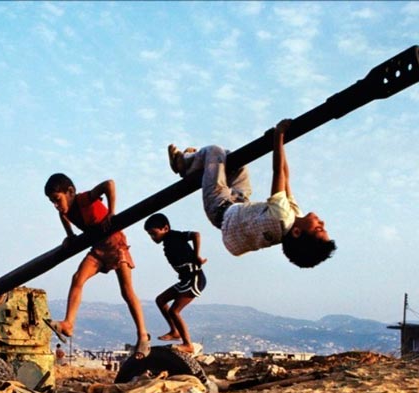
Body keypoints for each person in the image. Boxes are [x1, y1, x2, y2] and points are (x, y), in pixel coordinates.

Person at [167, 119, 336, 268]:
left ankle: (185, 162)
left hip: (219, 207)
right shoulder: (294, 216)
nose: (321, 221)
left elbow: (278, 172)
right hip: (239, 202)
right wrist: (279, 142)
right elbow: (286, 179)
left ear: (297, 232)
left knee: (215, 152)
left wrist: (278, 137)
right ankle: (194, 163)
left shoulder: (283, 217)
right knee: (235, 163)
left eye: (319, 228)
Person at [43, 173, 150, 359]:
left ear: (70, 192)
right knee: (78, 278)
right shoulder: (65, 211)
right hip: (98, 248)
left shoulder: (85, 198)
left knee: (126, 290)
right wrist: (69, 236)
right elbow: (64, 216)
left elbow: (109, 184)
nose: (56, 205)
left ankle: (142, 335)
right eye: (52, 201)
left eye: (57, 199)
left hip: (115, 244)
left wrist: (111, 212)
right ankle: (68, 323)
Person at [144, 213, 206, 354]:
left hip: (194, 278)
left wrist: (196, 255)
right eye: (150, 235)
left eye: (154, 234)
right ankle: (175, 331)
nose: (153, 238)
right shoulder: (168, 241)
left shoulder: (174, 236)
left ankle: (187, 344)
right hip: (185, 279)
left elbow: (196, 234)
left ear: (165, 228)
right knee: (160, 300)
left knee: (174, 311)